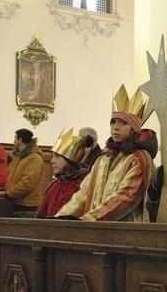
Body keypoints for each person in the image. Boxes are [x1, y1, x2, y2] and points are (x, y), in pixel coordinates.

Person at [56, 85, 157, 221]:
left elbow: (126, 196)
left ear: (133, 129)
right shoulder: (103, 158)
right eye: (113, 122)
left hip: (126, 231)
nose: (115, 127)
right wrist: (62, 218)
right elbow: (85, 193)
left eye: (123, 123)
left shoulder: (139, 158)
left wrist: (90, 218)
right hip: (96, 227)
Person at [36, 129, 93, 218]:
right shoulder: (55, 184)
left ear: (70, 160)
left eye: (57, 157)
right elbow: (41, 213)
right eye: (52, 156)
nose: (52, 161)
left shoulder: (81, 186)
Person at [1, 128, 45, 212]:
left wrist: (10, 193)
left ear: (20, 140)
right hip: (14, 201)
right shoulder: (18, 157)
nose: (13, 142)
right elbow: (8, 175)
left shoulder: (34, 158)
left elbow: (28, 182)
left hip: (26, 204)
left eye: (15, 138)